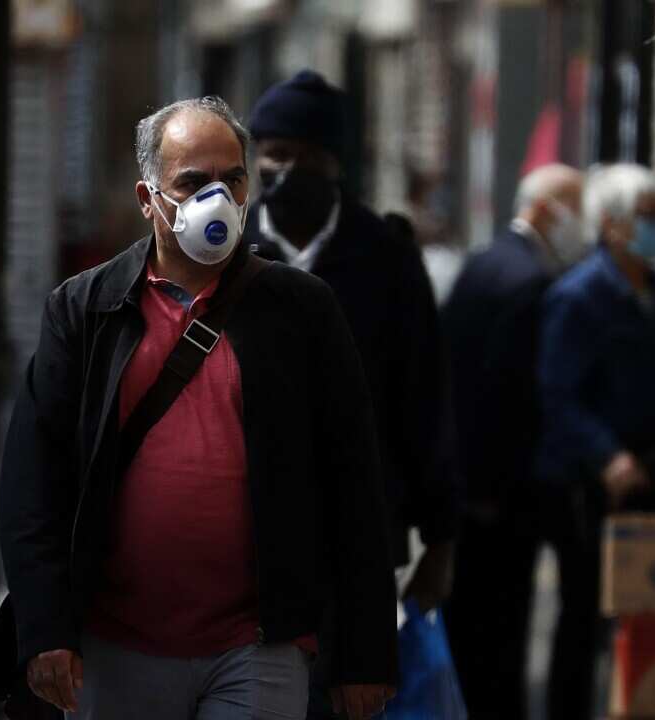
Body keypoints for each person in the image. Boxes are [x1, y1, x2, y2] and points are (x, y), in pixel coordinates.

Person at [0, 96, 397, 720]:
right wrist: (45, 630)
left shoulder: (301, 311)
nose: (218, 199)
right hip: (112, 648)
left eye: (232, 179)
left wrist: (364, 656)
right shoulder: (86, 311)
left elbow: (355, 483)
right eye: (193, 183)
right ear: (150, 199)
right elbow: (32, 482)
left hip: (256, 646)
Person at [243, 71, 461, 716]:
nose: (289, 170)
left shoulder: (383, 257)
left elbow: (425, 400)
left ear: (336, 163)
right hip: (243, 536)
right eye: (276, 154)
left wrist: (441, 541)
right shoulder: (225, 251)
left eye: (307, 157)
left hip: (358, 540)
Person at [536, 163, 655, 719]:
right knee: (584, 618)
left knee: (653, 614)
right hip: (598, 486)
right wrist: (607, 455)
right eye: (648, 218)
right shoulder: (578, 296)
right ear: (612, 225)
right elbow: (557, 396)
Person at [440, 163, 586, 719]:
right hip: (503, 497)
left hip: (466, 488)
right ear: (546, 208)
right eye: (575, 207)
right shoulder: (531, 281)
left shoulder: (483, 262)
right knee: (501, 639)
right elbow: (514, 399)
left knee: (470, 639)